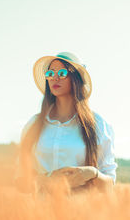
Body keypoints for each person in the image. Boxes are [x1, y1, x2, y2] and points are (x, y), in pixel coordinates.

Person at [14, 52, 118, 195]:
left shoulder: (99, 126)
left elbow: (109, 185)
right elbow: (20, 180)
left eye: (62, 73)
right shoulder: (34, 125)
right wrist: (47, 180)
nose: (54, 78)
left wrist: (92, 173)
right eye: (50, 73)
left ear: (77, 79)